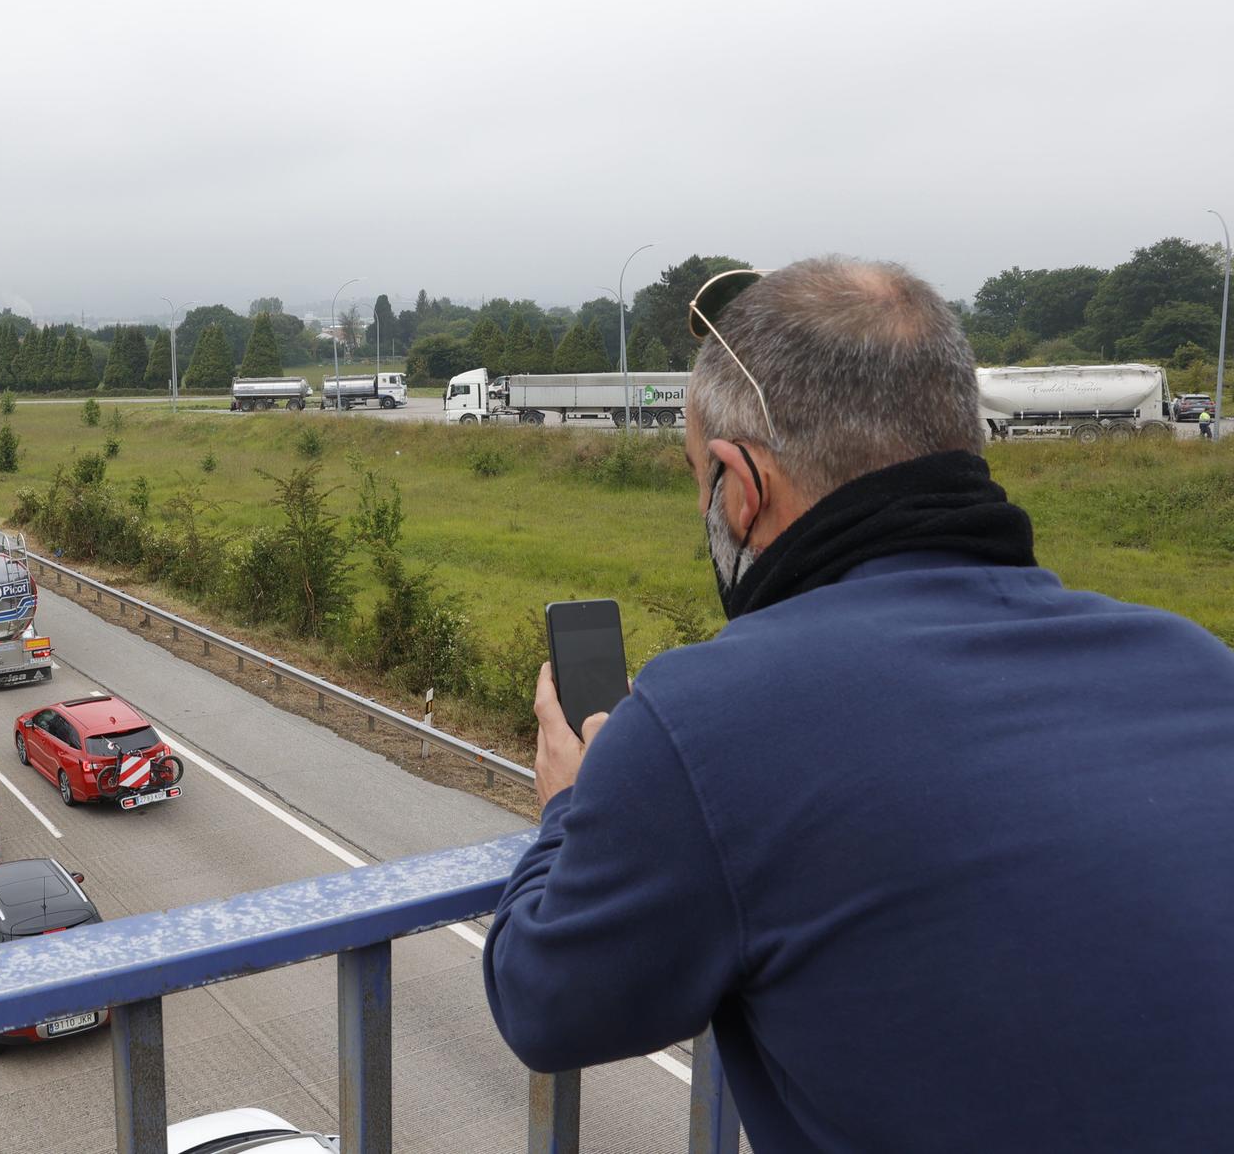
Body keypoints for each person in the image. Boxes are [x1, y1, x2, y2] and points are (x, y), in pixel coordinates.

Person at [483, 257, 1234, 1152]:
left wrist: (571, 805)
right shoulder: (1194, 661)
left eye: (698, 481)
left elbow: (545, 1001)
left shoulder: (706, 721)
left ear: (739, 485)